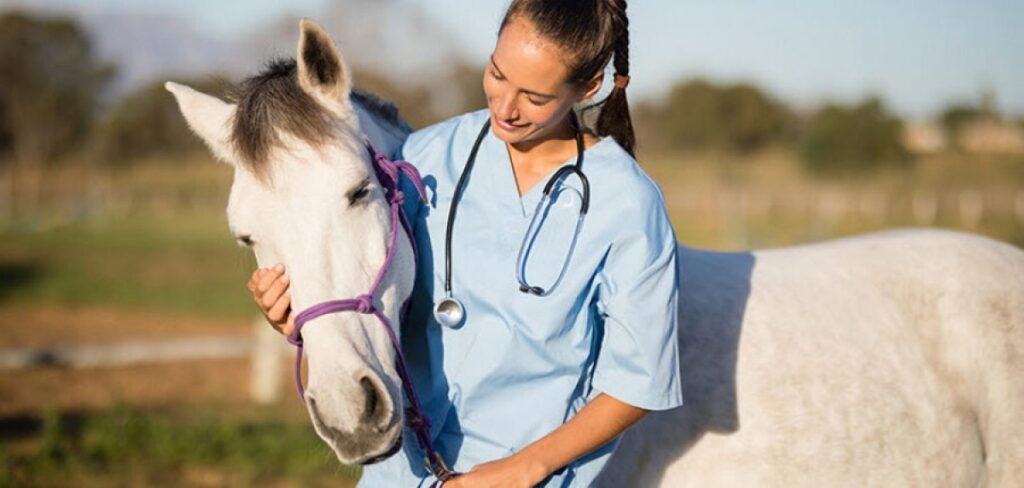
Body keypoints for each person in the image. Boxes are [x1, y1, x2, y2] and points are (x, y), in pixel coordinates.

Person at [249, 1, 682, 486]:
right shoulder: (421, 159)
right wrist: (295, 313)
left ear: (589, 87)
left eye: (535, 97)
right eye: (497, 74)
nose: (505, 107)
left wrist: (521, 471)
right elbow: (364, 282)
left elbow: (640, 383)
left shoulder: (628, 203)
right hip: (402, 473)